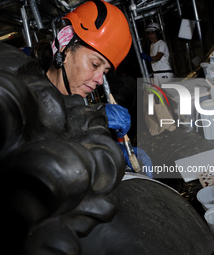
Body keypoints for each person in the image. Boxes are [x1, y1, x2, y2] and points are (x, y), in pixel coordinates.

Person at [34, 0, 151, 173]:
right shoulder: (25, 91)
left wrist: (112, 151)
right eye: (95, 64)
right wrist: (94, 118)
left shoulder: (77, 103)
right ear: (65, 50)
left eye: (105, 72)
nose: (99, 80)